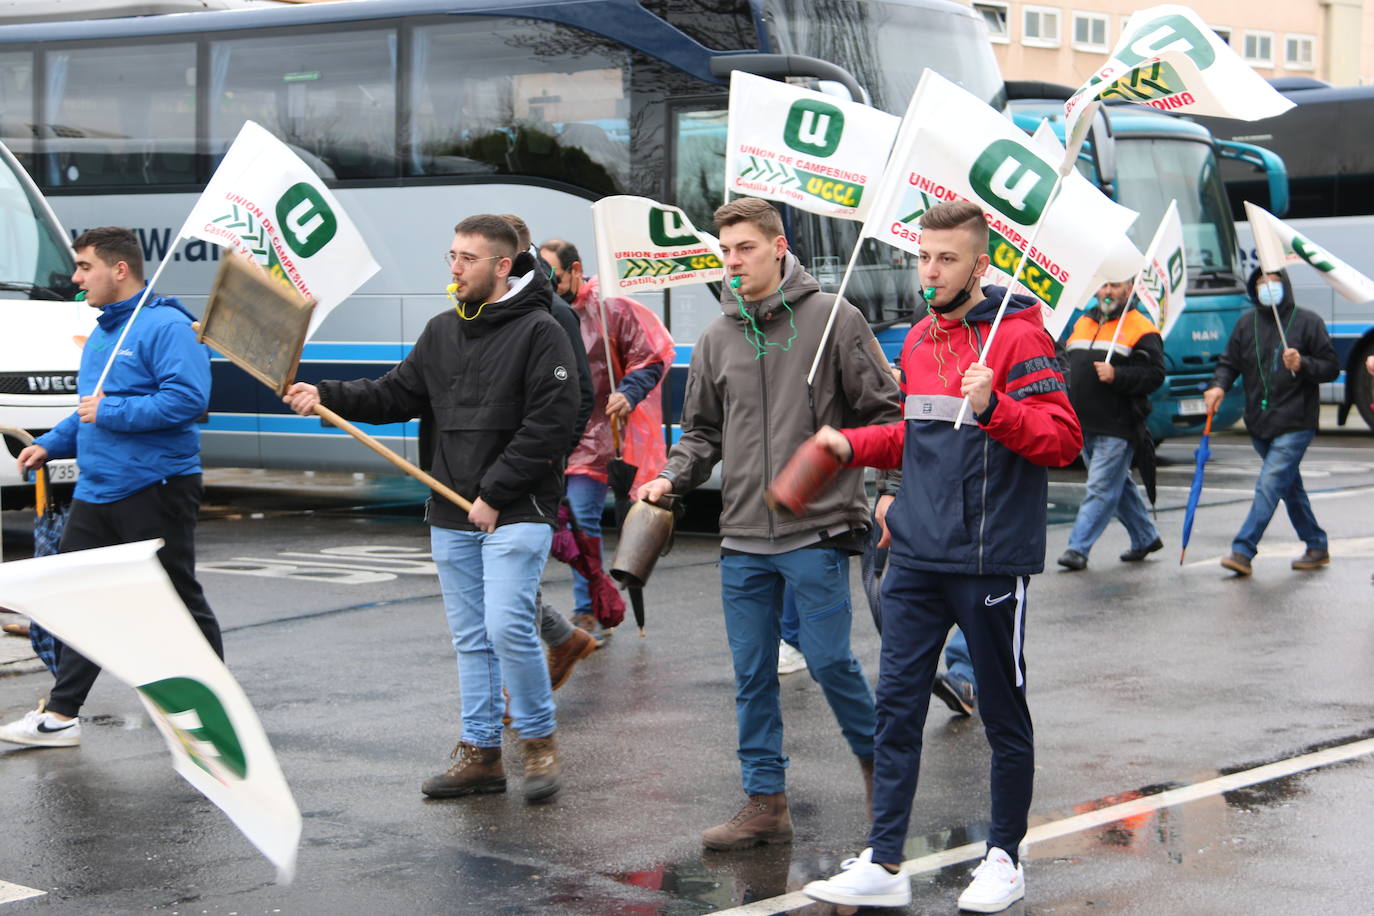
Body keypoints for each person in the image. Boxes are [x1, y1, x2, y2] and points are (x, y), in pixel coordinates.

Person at [802, 200, 1082, 913]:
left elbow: (1063, 442)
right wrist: (851, 444)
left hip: (989, 560)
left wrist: (995, 407)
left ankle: (1004, 857)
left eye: (946, 258)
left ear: (980, 265)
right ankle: (886, 859)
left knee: (1000, 711)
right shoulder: (921, 341)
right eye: (923, 256)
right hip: (920, 557)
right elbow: (914, 437)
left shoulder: (1020, 341)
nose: (930, 270)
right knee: (895, 706)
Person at [637, 197, 901, 850]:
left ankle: (880, 772)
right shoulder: (715, 338)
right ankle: (765, 801)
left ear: (778, 248)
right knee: (751, 674)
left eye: (745, 248)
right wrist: (671, 476)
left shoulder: (835, 319)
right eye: (725, 251)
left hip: (818, 526)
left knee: (829, 660)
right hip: (744, 536)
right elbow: (701, 434)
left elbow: (888, 415)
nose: (732, 261)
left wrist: (891, 491)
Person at [283, 214, 578, 801]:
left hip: (518, 507)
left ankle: (539, 742)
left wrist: (495, 493)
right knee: (471, 639)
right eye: (451, 256)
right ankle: (481, 754)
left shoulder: (543, 330)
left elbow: (553, 421)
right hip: (450, 507)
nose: (454, 267)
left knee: (507, 626)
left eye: (467, 259)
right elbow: (395, 391)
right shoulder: (441, 330)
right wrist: (326, 396)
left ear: (501, 265)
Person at [0, 227, 220, 749]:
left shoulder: (168, 325)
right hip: (98, 491)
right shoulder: (104, 331)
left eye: (84, 267)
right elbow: (89, 410)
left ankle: (213, 717)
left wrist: (113, 410)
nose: (75, 279)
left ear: (119, 269)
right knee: (81, 604)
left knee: (177, 601)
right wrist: (50, 445)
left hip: (156, 486)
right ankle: (60, 715)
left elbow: (191, 400)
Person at [539, 239, 673, 646]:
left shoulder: (612, 306)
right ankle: (596, 602)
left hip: (605, 433)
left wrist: (629, 392)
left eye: (554, 276)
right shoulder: (538, 309)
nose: (548, 284)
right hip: (561, 433)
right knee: (567, 524)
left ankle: (589, 607)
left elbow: (651, 354)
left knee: (582, 517)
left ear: (575, 270)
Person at [497, 215, 598, 689]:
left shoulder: (554, 313)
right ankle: (560, 639)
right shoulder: (484, 307)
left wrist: (552, 455)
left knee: (503, 588)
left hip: (528, 472)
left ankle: (522, 702)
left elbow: (580, 396)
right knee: (499, 585)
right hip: (491, 468)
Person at [1203, 267, 1338, 576]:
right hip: (1260, 421)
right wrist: (1219, 385)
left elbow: (1330, 367)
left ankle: (1243, 550)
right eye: (1262, 282)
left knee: (1269, 483)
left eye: (1274, 281)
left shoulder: (1307, 321)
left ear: (1286, 286)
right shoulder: (1245, 323)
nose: (1268, 287)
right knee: (1288, 486)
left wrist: (1303, 363)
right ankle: (1316, 544)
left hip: (1296, 421)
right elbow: (1229, 363)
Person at [1057, 277, 1165, 571]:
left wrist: (1117, 375)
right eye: (1104, 286)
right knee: (1119, 486)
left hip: (1118, 425)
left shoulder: (1141, 327)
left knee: (1101, 488)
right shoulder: (1083, 323)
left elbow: (1155, 375)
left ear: (1128, 290)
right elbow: (1067, 360)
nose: (1107, 292)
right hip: (1084, 424)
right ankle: (1145, 537)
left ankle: (1077, 548)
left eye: (1114, 286)